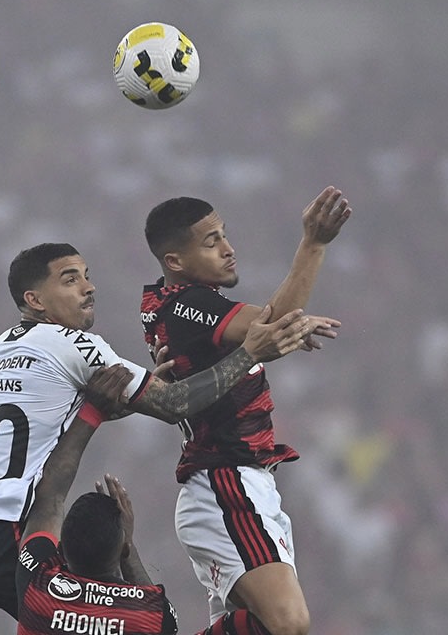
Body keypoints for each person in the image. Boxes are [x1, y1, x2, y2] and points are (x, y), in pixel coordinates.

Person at [0, 242, 325, 619]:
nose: (88, 287)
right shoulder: (70, 343)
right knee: (148, 623)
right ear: (36, 300)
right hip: (13, 539)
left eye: (87, 276)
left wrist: (134, 396)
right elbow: (174, 404)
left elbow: (49, 424)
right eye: (70, 279)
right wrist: (249, 353)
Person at [140, 186, 352, 635]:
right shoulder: (184, 305)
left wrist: (278, 327)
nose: (228, 249)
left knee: (263, 626)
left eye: (225, 234)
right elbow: (274, 324)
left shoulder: (179, 303)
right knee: (288, 624)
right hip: (225, 483)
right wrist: (313, 243)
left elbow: (269, 326)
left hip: (245, 483)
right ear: (175, 261)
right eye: (211, 241)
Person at [15, 366, 281, 635]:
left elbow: (49, 498)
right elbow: (157, 610)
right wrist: (128, 544)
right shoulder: (149, 617)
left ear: (61, 546)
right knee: (268, 623)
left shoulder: (37, 590)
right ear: (121, 547)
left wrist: (91, 412)